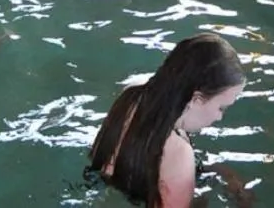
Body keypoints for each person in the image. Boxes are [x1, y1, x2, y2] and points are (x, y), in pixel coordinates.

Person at [88, 32, 251, 208]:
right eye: (221, 108)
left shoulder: (133, 94)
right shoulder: (179, 153)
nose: (219, 117)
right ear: (196, 99)